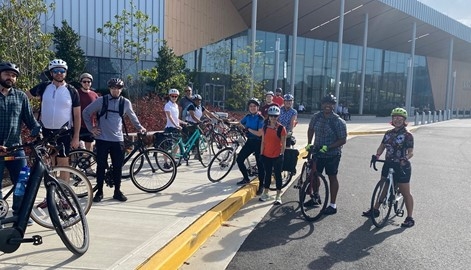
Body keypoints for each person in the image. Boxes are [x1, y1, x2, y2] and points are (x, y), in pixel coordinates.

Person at [83, 78, 146, 202]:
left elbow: (133, 117)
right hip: (102, 139)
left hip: (117, 139)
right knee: (101, 166)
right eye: (113, 88)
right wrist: (92, 128)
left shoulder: (125, 102)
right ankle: (99, 192)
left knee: (118, 167)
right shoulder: (101, 100)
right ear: (109, 89)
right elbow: (86, 112)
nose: (115, 90)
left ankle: (117, 191)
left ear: (121, 89)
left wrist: (140, 128)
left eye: (118, 88)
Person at [0, 62, 41, 225]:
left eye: (14, 75)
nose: (10, 77)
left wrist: (38, 131)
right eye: (7, 74)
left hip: (15, 148)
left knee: (22, 181)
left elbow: (30, 120)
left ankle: (20, 213)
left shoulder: (20, 97)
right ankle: (1, 216)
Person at [362, 107, 415, 228]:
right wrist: (377, 155)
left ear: (404, 120)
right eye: (395, 117)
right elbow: (382, 146)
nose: (397, 120)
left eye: (400, 118)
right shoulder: (388, 133)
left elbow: (411, 152)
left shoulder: (408, 135)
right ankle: (375, 210)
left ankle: (409, 217)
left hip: (402, 166)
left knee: (405, 192)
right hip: (388, 163)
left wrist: (405, 158)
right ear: (392, 119)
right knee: (383, 186)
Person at [28, 59, 81, 170]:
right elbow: (24, 96)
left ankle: (63, 187)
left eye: (62, 71)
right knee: (48, 162)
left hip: (63, 132)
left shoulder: (72, 91)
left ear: (66, 72)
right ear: (51, 73)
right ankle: (51, 186)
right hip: (45, 130)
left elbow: (77, 116)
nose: (59, 73)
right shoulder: (44, 87)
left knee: (63, 163)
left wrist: (76, 137)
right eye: (56, 70)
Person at [306, 94, 347, 215]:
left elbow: (343, 140)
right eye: (325, 103)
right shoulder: (316, 117)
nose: (327, 106)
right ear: (322, 104)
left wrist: (328, 147)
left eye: (330, 104)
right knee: (314, 175)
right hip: (318, 151)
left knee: (332, 177)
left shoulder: (338, 121)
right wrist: (309, 143)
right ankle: (315, 197)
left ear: (334, 105)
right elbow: (311, 129)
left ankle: (333, 205)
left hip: (332, 154)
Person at [236, 98, 265, 195]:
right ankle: (246, 178)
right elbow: (240, 123)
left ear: (257, 107)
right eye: (250, 106)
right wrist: (238, 125)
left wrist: (248, 129)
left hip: (258, 143)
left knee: (260, 164)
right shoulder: (248, 116)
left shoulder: (260, 118)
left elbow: (260, 133)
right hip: (250, 142)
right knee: (239, 159)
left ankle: (261, 185)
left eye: (254, 106)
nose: (252, 108)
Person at [259, 106, 287, 205]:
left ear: (278, 117)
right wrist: (261, 153)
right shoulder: (265, 127)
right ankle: (266, 193)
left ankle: (278, 195)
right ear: (268, 116)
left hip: (277, 155)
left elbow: (283, 143)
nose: (273, 118)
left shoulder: (281, 128)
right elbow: (263, 141)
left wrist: (281, 154)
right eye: (271, 116)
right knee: (268, 174)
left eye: (275, 116)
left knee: (278, 175)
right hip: (266, 154)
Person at [78, 73, 98, 151]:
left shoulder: (94, 95)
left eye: (88, 82)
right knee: (75, 147)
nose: (86, 83)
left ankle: (88, 163)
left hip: (90, 125)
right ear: (81, 82)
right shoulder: (76, 93)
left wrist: (96, 124)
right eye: (84, 81)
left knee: (89, 148)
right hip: (78, 125)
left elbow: (98, 111)